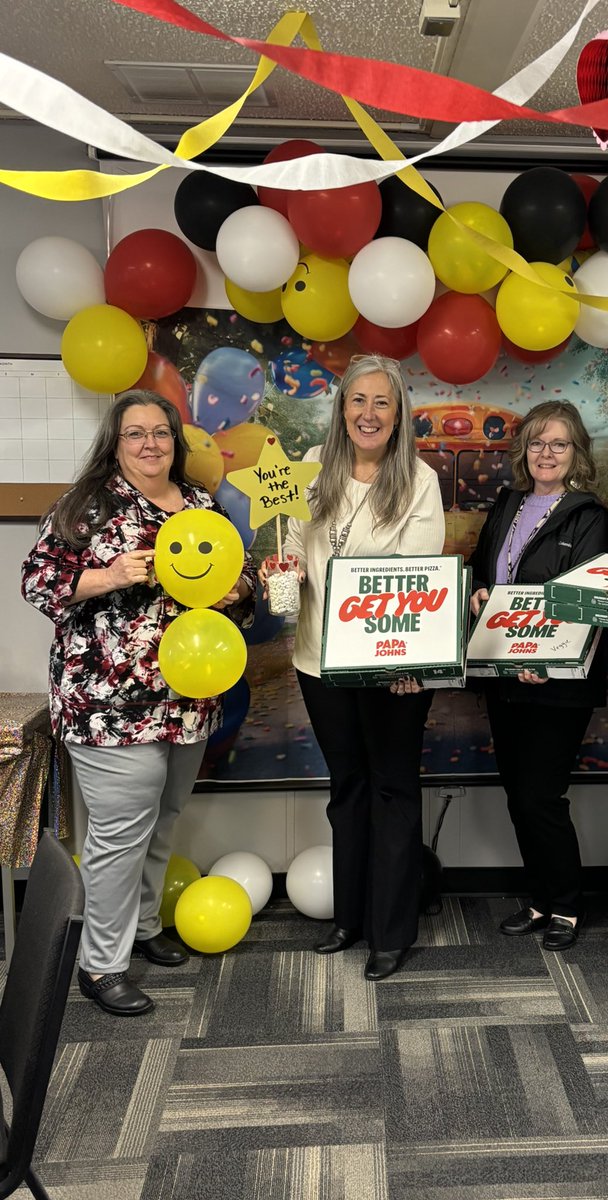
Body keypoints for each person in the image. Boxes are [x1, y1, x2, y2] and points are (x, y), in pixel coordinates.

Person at [21, 389, 255, 1017]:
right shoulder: (85, 508)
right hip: (107, 702)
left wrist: (238, 589)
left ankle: (145, 928)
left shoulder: (201, 504)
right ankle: (101, 966)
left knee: (165, 819)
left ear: (176, 442)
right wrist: (110, 576)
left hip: (186, 699)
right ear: (115, 442)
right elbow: (38, 583)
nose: (150, 444)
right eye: (135, 433)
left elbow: (240, 575)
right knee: (119, 836)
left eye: (161, 432)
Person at [263, 354, 445, 981]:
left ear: (399, 416)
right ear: (342, 409)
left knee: (393, 787)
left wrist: (409, 659)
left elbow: (417, 579)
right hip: (318, 660)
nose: (369, 413)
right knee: (348, 789)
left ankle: (391, 933)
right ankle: (352, 916)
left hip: (392, 666)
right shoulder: (311, 469)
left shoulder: (419, 480)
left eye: (382, 403)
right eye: (358, 401)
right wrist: (283, 569)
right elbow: (293, 542)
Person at [468, 400, 608, 950]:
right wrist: (478, 594)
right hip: (504, 673)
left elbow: (587, 603)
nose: (546, 453)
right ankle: (537, 899)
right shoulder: (507, 504)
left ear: (576, 451)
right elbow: (484, 573)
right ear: (523, 451)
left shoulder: (591, 518)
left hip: (560, 683)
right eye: (536, 442)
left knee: (541, 797)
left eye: (558, 443)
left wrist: (549, 659)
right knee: (516, 793)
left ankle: (567, 906)